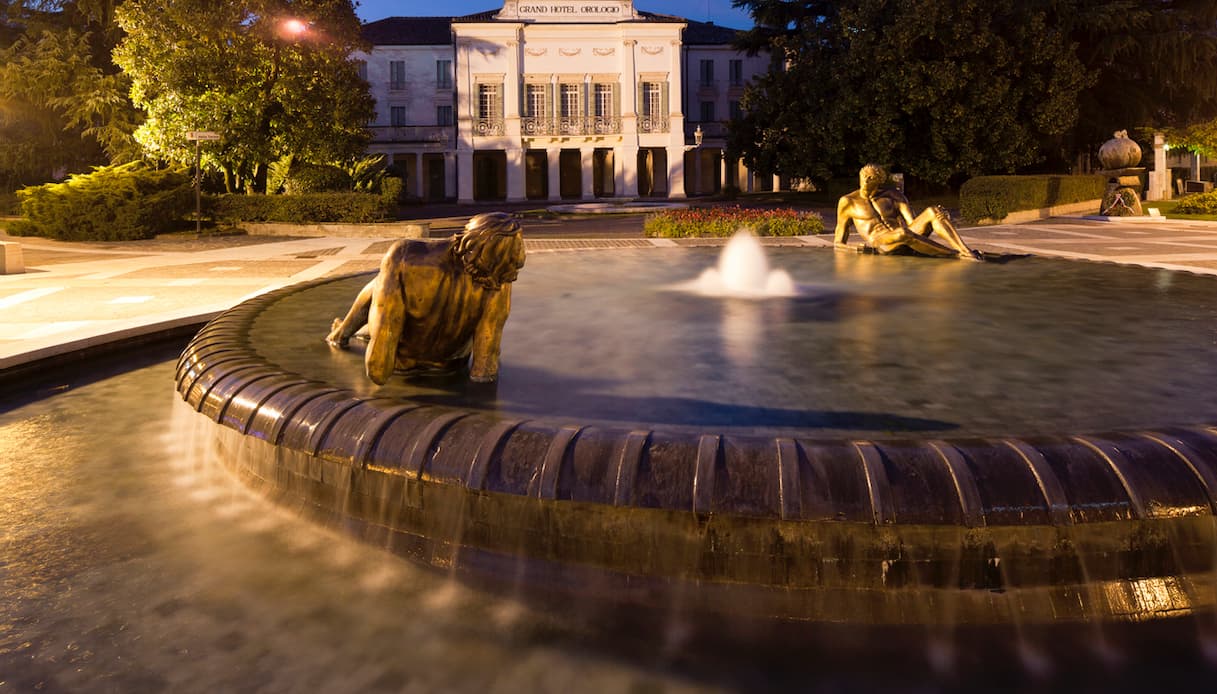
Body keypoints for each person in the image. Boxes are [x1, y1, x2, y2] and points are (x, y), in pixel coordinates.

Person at [326, 212, 526, 384]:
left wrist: (377, 370)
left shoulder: (406, 256)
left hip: (401, 363)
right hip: (449, 365)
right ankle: (351, 331)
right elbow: (485, 367)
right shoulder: (497, 274)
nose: (521, 260)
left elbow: (377, 369)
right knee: (383, 288)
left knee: (381, 284)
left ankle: (342, 333)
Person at [834, 164, 983, 260]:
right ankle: (955, 255)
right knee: (902, 233)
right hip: (881, 243)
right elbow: (838, 242)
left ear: (879, 181)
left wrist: (941, 216)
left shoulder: (893, 195)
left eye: (871, 177)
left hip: (906, 237)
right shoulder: (848, 201)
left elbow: (913, 223)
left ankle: (964, 250)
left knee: (933, 211)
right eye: (864, 175)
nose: (866, 179)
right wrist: (855, 249)